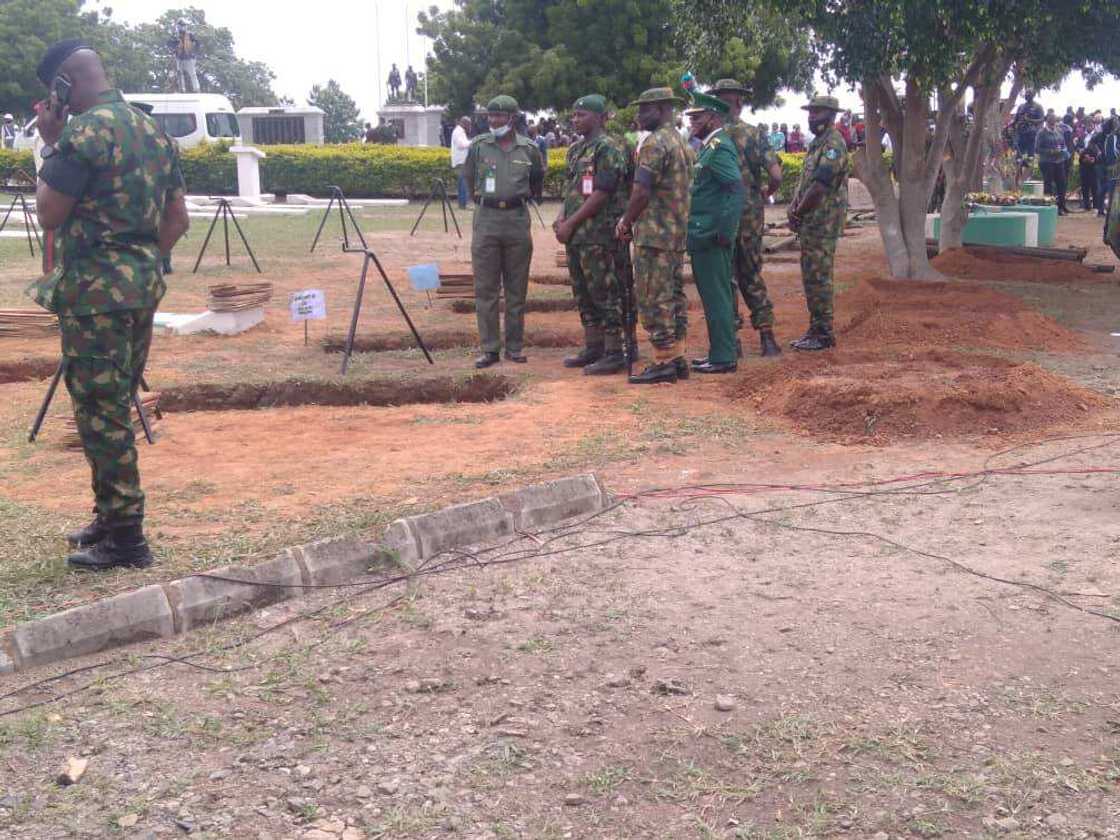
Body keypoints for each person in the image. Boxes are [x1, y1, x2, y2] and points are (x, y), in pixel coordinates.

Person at [29, 40, 190, 570]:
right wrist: (138, 263)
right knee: (113, 403)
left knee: (100, 414)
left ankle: (126, 539)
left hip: (95, 298)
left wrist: (51, 145)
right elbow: (177, 221)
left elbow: (50, 213)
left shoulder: (82, 133)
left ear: (63, 85)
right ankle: (108, 514)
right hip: (140, 290)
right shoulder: (153, 130)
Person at [615, 87, 692, 385]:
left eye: (644, 109)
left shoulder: (654, 144)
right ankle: (677, 356)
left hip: (654, 233)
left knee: (651, 295)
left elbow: (641, 190)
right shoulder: (681, 142)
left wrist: (625, 221)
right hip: (675, 232)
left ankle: (663, 360)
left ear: (660, 109)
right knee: (673, 294)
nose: (638, 115)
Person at [553, 94, 632, 376]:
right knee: (583, 291)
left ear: (600, 117)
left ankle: (614, 351)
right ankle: (593, 346)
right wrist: (561, 219)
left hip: (599, 236)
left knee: (605, 292)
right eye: (574, 115)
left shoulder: (607, 149)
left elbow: (601, 193)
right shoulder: (575, 150)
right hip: (576, 236)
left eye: (582, 115)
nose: (575, 120)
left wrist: (571, 222)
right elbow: (571, 189)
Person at [464, 95, 544, 368]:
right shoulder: (478, 147)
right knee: (485, 288)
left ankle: (514, 347)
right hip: (486, 220)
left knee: (516, 289)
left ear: (512, 118)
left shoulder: (529, 149)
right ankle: (489, 349)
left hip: (517, 220)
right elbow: (468, 177)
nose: (494, 121)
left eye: (499, 117)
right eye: (490, 117)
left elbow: (537, 182)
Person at [711, 78, 782, 358]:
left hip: (721, 213)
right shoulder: (755, 134)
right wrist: (765, 192)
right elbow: (776, 175)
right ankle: (767, 338)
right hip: (751, 210)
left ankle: (732, 341)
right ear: (740, 102)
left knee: (725, 276)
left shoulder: (712, 138)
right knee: (751, 273)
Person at [683, 92, 743, 374]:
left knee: (717, 296)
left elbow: (734, 189)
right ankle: (719, 351)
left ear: (714, 117)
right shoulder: (708, 147)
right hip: (702, 233)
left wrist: (724, 232)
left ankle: (723, 357)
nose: (692, 121)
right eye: (691, 117)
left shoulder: (719, 147)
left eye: (697, 117)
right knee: (713, 296)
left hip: (712, 236)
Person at [787, 95, 849, 352]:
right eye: (810, 113)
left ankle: (824, 333)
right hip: (812, 222)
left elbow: (820, 187)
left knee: (819, 277)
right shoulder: (817, 144)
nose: (811, 117)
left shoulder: (833, 144)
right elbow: (806, 184)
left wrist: (799, 213)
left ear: (832, 115)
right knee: (811, 276)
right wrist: (794, 207)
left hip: (822, 222)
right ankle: (815, 327)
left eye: (817, 112)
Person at [1036, 112, 1070, 214]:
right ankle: (1049, 206)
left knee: (1062, 184)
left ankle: (1061, 206)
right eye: (1051, 121)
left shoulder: (1059, 131)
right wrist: (1050, 151)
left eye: (1054, 121)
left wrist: (1063, 150)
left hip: (1059, 161)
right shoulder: (1041, 133)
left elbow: (1063, 144)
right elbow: (1037, 149)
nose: (1053, 124)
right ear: (1047, 121)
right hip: (1047, 162)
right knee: (1048, 185)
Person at [166, 18, 201, 94]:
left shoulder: (190, 34)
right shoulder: (175, 36)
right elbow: (169, 44)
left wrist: (195, 53)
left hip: (189, 57)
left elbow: (197, 43)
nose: (182, 27)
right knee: (179, 74)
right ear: (178, 26)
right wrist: (173, 49)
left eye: (184, 25)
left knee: (193, 74)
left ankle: (197, 89)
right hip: (179, 58)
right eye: (181, 25)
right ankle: (182, 89)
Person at [450, 116, 472, 209]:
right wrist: (472, 142)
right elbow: (461, 145)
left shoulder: (459, 131)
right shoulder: (459, 132)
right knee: (464, 183)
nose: (470, 126)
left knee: (461, 183)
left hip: (461, 160)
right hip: (461, 161)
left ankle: (461, 204)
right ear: (464, 123)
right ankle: (463, 204)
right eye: (469, 124)